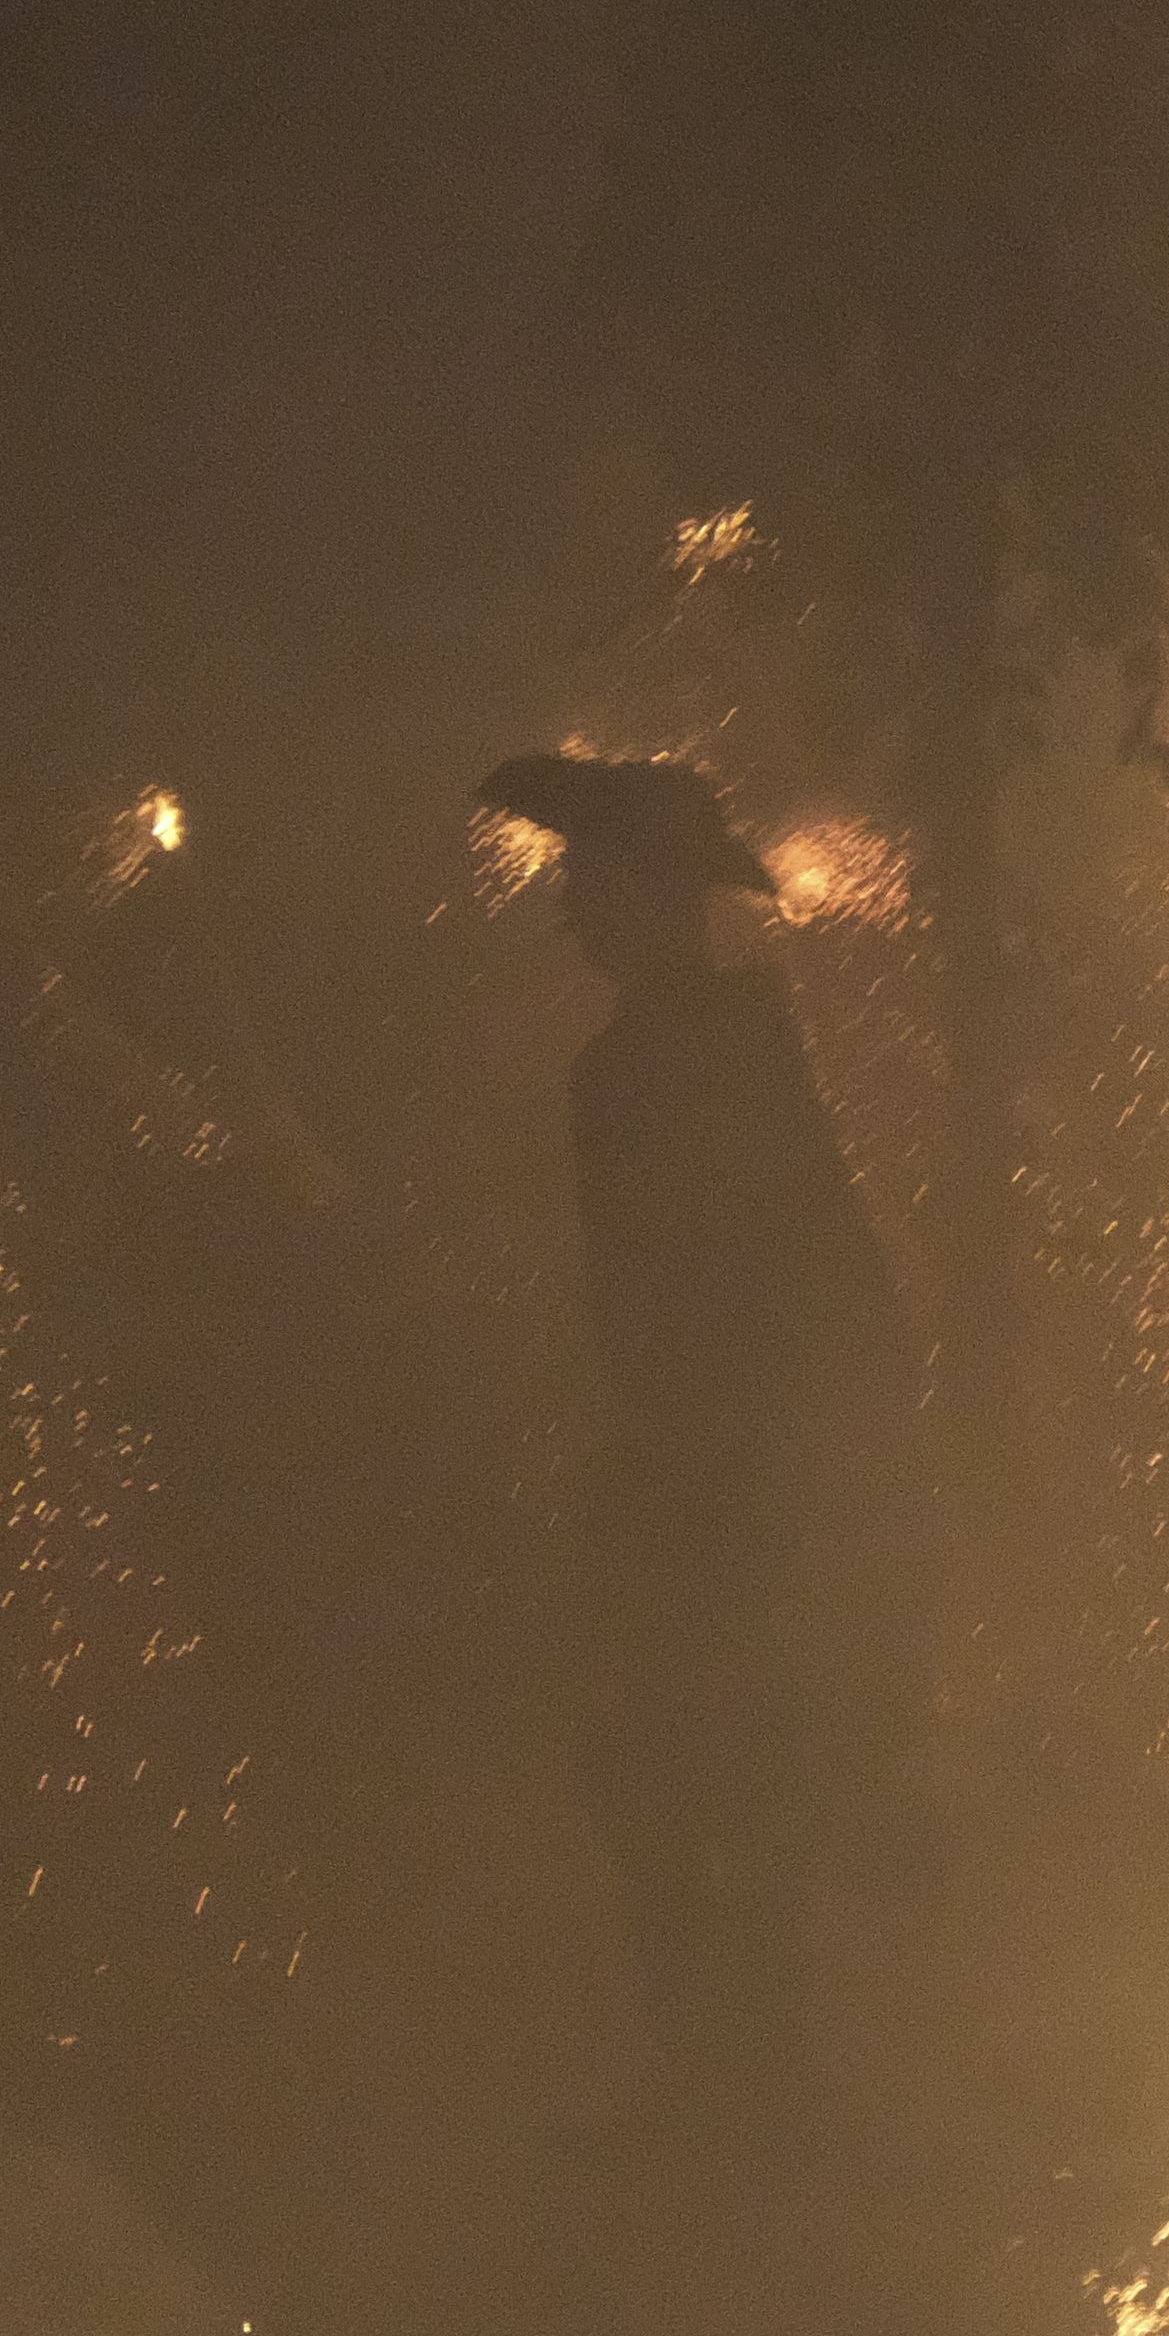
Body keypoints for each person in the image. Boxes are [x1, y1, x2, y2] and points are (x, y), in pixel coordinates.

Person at [474, 749, 925, 2081]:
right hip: (721, 1483)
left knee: (689, 1776)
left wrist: (754, 1478)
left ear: (647, 895)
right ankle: (739, 2080)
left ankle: (744, 2090)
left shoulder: (679, 1066)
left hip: (733, 1492)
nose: (569, 909)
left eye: (589, 878)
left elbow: (772, 1283)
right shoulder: (702, 1051)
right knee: (688, 1779)